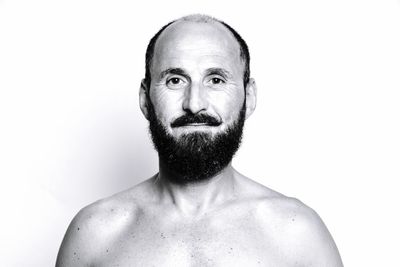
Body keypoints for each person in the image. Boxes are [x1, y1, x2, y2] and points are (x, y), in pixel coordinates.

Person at [56, 14, 343, 266]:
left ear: (249, 96)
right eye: (175, 80)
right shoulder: (94, 234)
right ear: (145, 99)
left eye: (216, 80)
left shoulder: (298, 234)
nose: (194, 104)